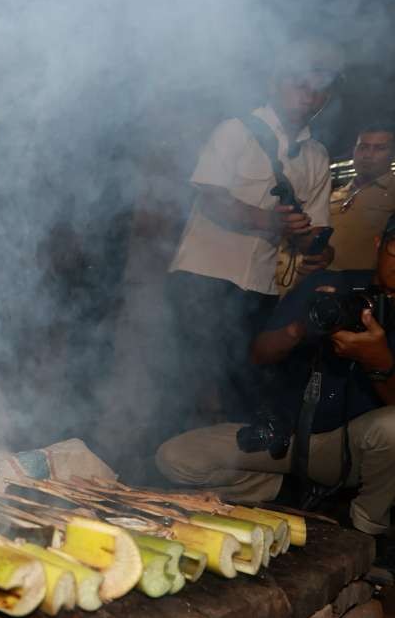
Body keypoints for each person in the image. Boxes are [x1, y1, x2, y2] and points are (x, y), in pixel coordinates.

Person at [158, 213, 395, 548]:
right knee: (176, 459)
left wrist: (379, 362)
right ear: (379, 244)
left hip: (356, 450)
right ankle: (296, 494)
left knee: (392, 428)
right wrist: (299, 329)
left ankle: (365, 532)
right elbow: (259, 354)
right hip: (287, 437)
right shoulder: (330, 284)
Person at [164, 42, 340, 427]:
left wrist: (318, 253)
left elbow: (317, 231)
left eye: (319, 89)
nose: (308, 95)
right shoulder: (235, 130)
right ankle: (162, 471)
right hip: (203, 277)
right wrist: (272, 223)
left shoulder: (317, 156)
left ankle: (224, 479)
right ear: (275, 83)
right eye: (300, 83)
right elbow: (211, 199)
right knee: (188, 386)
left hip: (260, 290)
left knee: (239, 391)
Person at [329, 123, 395, 270]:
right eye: (363, 147)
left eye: (380, 148)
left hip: (364, 287)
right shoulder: (335, 193)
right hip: (320, 280)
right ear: (354, 151)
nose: (368, 155)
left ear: (393, 154)